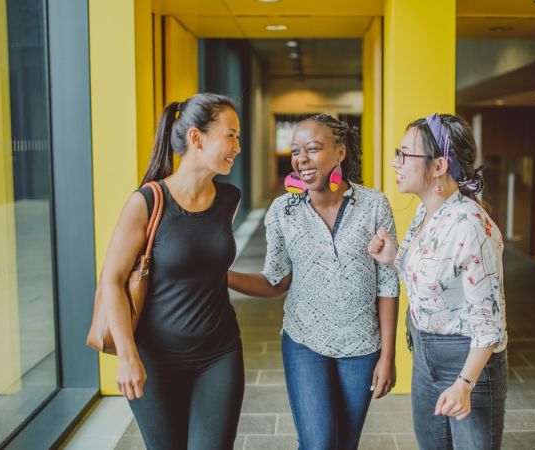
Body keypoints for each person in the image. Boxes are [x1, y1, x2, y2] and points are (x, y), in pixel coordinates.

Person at [228, 114, 399, 450]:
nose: (301, 159)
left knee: (344, 444)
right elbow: (276, 281)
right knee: (318, 443)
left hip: (362, 346)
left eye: (313, 149)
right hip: (304, 340)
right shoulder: (283, 211)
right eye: (296, 151)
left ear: (340, 152)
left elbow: (388, 283)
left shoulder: (374, 205)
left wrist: (388, 356)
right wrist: (223, 276)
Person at [97, 93, 244, 449]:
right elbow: (112, 281)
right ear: (196, 138)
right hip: (154, 360)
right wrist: (128, 357)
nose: (238, 147)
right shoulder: (147, 202)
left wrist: (275, 283)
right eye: (231, 135)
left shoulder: (230, 199)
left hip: (219, 355)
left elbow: (207, 270)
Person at [368, 113, 508, 450]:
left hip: (469, 363)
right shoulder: (426, 210)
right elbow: (438, 282)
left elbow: (489, 324)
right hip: (426, 354)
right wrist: (395, 259)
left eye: (404, 155)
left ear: (439, 166)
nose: (395, 162)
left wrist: (464, 383)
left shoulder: (470, 225)